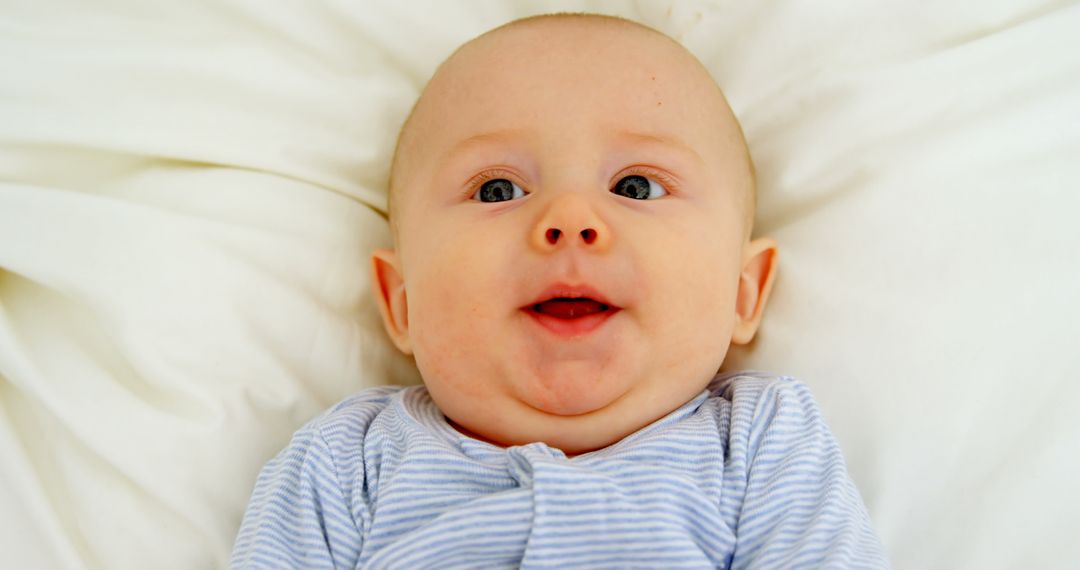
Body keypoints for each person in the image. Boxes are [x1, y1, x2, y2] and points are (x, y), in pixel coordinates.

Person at [231, 13, 886, 568]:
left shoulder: (761, 442)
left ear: (743, 294)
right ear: (403, 301)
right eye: (497, 189)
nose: (569, 219)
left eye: (636, 187)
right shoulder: (346, 464)